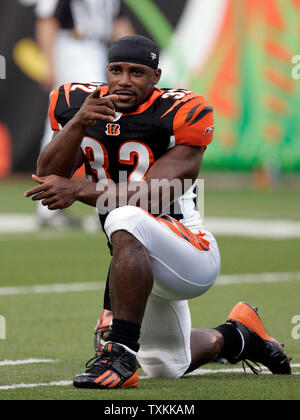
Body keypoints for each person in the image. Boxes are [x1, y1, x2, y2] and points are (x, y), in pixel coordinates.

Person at [25, 35, 291, 389]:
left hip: (189, 252)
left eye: (136, 73)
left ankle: (119, 355)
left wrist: (78, 189)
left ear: (155, 76)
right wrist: (78, 124)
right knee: (167, 365)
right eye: (116, 70)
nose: (123, 80)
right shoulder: (78, 102)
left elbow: (151, 196)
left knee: (124, 215)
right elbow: (48, 175)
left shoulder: (180, 111)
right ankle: (240, 335)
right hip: (137, 262)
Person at [35, 0, 134, 227]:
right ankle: (104, 201)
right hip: (72, 47)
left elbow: (118, 23)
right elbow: (47, 19)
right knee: (84, 118)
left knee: (62, 125)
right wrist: (48, 63)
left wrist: (139, 56)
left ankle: (50, 207)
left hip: (99, 48)